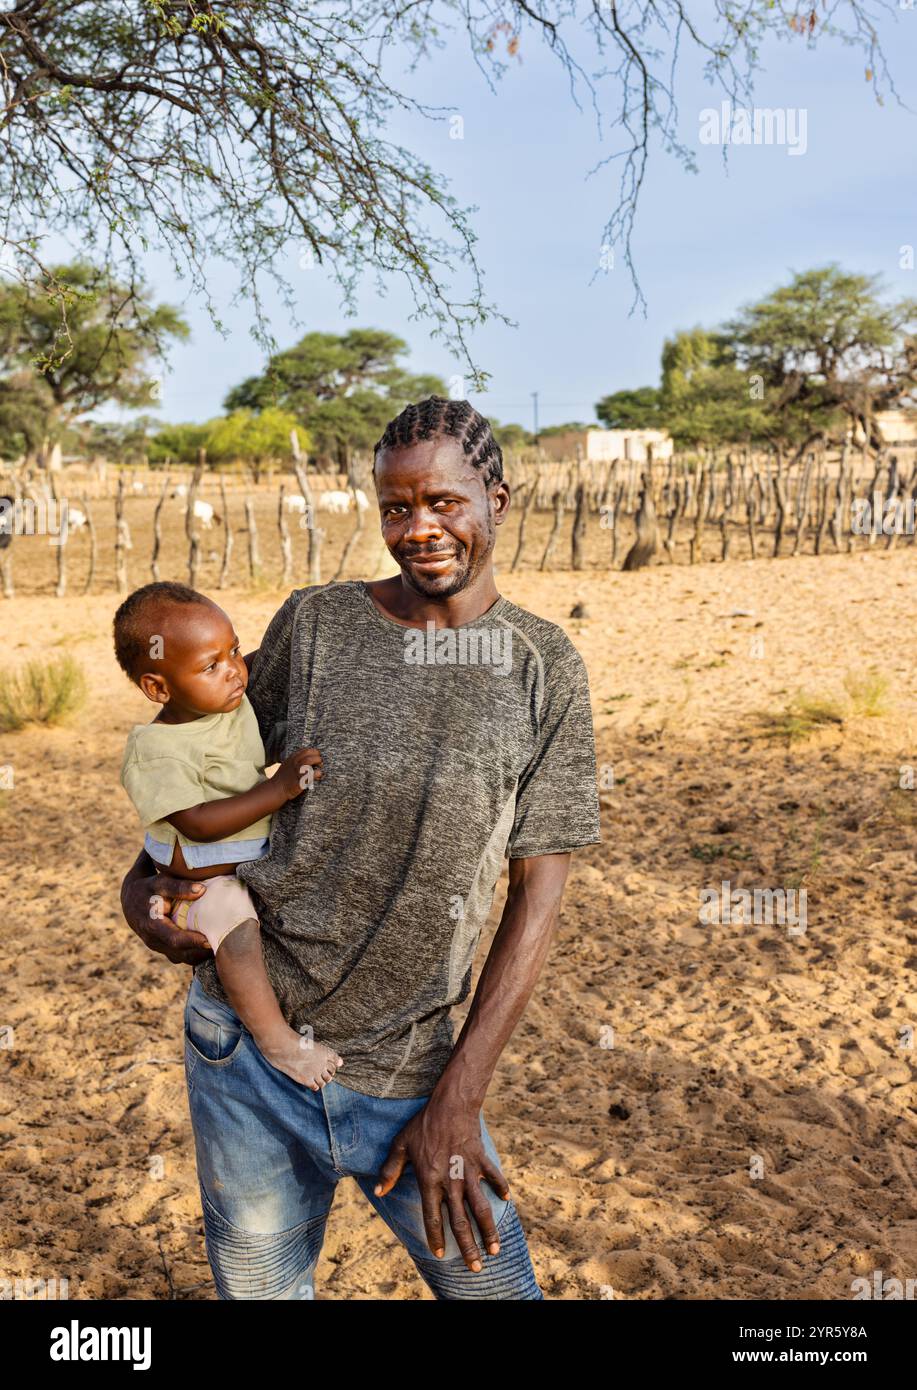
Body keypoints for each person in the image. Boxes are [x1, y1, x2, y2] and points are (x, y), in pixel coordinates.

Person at [121, 396, 601, 1300]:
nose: (418, 530)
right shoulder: (315, 627)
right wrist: (139, 893)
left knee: (497, 1291)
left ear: (500, 498)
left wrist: (457, 1101)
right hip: (245, 1054)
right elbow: (194, 782)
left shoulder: (542, 666)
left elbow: (537, 896)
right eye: (395, 507)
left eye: (445, 503)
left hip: (413, 1073)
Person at [115, 582, 342, 1091]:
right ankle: (278, 1041)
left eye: (234, 649)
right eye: (211, 665)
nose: (235, 670)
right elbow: (195, 822)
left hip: (247, 865)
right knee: (237, 938)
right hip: (205, 887)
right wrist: (280, 789)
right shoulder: (157, 748)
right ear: (158, 688)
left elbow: (263, 661)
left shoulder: (228, 703)